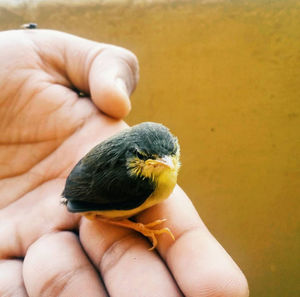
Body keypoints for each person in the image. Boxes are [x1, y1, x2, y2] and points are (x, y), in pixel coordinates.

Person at [0, 29, 249, 297]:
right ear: (135, 154)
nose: (164, 163)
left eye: (170, 156)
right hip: (85, 195)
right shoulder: (136, 185)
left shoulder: (163, 168)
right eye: (148, 158)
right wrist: (137, 226)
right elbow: (90, 214)